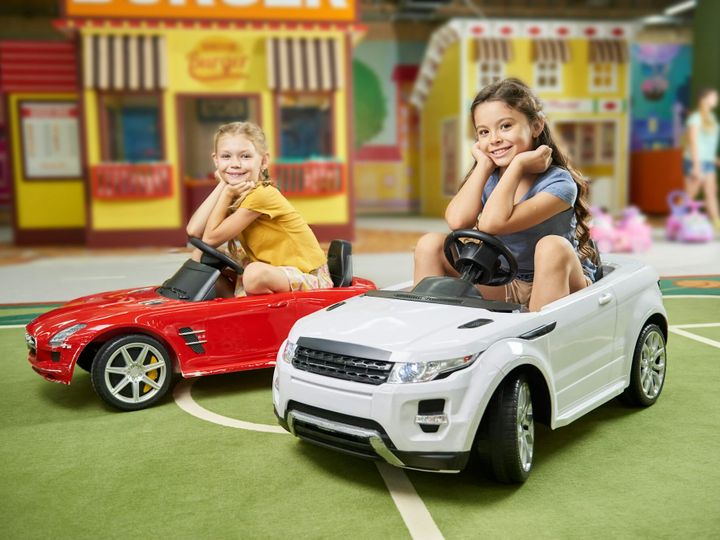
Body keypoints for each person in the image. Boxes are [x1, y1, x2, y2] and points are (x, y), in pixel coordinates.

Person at [413, 78, 599, 312]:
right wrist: (482, 165)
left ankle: (538, 335)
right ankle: (427, 327)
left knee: (552, 247)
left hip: (561, 278)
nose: (494, 139)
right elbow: (458, 221)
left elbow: (493, 223)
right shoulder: (490, 179)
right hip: (504, 279)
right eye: (484, 132)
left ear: (536, 126)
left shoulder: (559, 184)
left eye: (505, 126)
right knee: (430, 244)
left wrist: (519, 164)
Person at [186, 121, 332, 297]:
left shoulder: (262, 195)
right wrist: (223, 184)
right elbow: (194, 230)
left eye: (245, 156)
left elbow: (210, 238)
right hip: (273, 268)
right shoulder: (238, 191)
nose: (235, 164)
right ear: (216, 160)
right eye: (226, 157)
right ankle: (232, 308)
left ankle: (247, 311)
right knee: (199, 254)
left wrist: (225, 193)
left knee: (254, 274)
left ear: (263, 161)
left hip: (306, 276)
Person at [683, 87, 720, 229]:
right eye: (713, 96)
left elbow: (707, 142)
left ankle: (717, 223)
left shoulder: (712, 118)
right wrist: (696, 166)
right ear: (704, 99)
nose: (716, 99)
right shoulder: (695, 118)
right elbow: (692, 141)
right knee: (691, 193)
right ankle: (678, 220)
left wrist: (714, 158)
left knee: (711, 192)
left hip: (708, 161)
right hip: (694, 161)